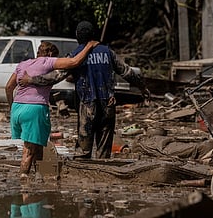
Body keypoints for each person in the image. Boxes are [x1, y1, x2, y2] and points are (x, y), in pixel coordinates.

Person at [19, 21, 149, 159]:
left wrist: (31, 80)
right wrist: (143, 88)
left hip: (87, 105)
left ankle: (83, 176)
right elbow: (127, 72)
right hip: (108, 104)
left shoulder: (75, 55)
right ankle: (104, 174)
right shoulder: (108, 52)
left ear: (77, 36)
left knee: (83, 149)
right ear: (93, 35)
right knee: (104, 148)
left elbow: (55, 77)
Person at [5, 40, 98, 178]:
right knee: (29, 150)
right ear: (49, 53)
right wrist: (88, 46)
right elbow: (74, 62)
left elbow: (8, 87)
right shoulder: (47, 62)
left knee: (38, 143)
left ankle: (39, 176)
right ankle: (23, 181)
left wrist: (12, 107)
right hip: (34, 109)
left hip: (18, 107)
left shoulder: (23, 64)